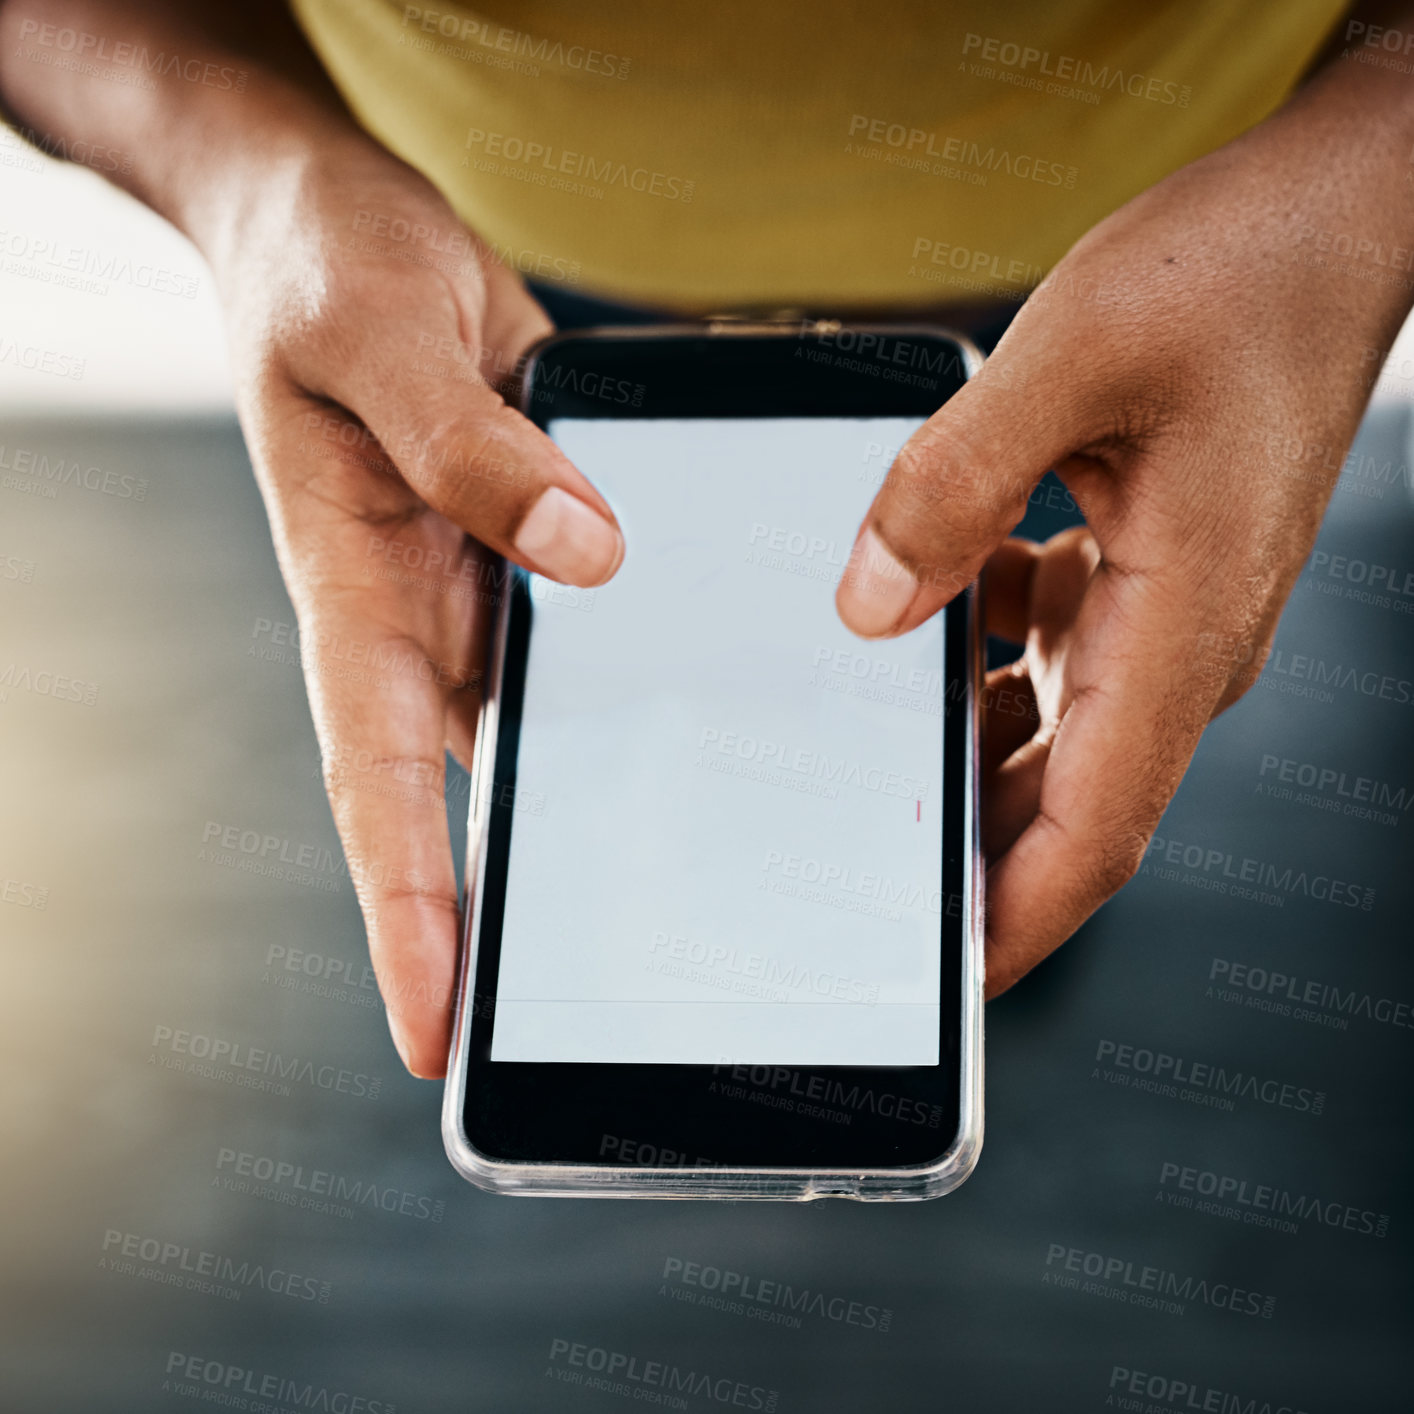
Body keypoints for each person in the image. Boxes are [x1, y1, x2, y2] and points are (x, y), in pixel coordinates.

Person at [3, 0, 1409, 1078]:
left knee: (1009, 692)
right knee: (803, 685)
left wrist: (1368, 179)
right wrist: (249, 170)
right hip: (470, 262)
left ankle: (943, 934)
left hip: (1171, 255)